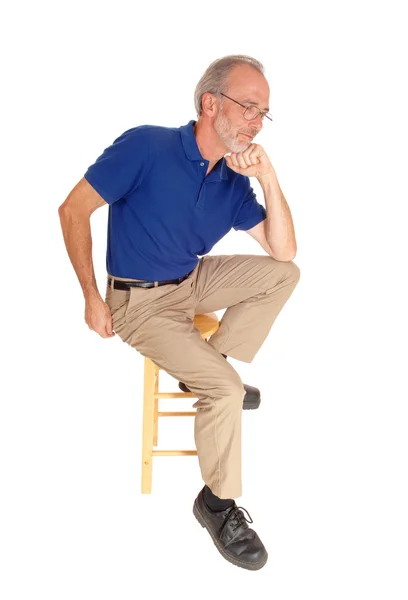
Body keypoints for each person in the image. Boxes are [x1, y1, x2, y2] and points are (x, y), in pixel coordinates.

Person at [58, 54, 300, 571]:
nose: (257, 122)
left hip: (189, 281)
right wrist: (90, 297)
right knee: (227, 391)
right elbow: (73, 209)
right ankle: (216, 503)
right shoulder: (147, 145)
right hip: (138, 302)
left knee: (284, 275)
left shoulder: (234, 181)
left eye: (264, 113)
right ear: (211, 103)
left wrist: (270, 178)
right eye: (249, 107)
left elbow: (283, 252)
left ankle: (210, 368)